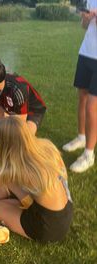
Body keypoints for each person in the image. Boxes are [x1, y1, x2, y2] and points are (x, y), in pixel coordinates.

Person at [62, 2, 97, 173]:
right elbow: (85, 27)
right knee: (82, 98)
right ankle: (81, 137)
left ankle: (89, 155)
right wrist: (85, 18)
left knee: (92, 106)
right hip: (86, 53)